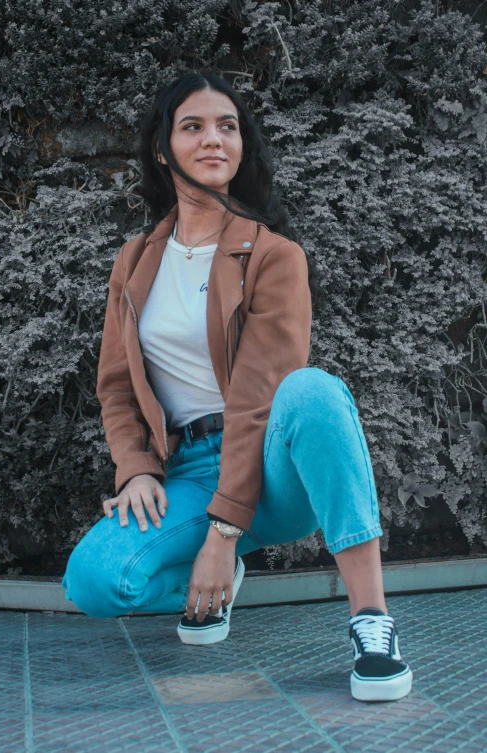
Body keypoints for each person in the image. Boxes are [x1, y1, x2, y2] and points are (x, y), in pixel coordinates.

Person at [61, 71, 412, 703]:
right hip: (188, 475)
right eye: (192, 126)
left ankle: (372, 622)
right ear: (163, 149)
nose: (214, 139)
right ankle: (222, 576)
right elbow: (115, 384)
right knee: (93, 580)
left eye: (227, 126)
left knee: (313, 392)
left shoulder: (274, 255)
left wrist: (222, 532)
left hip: (270, 467)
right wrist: (137, 469)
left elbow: (257, 398)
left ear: (242, 145)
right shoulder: (134, 260)